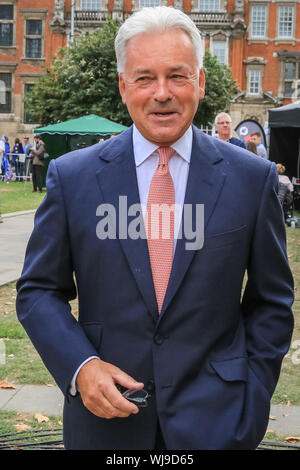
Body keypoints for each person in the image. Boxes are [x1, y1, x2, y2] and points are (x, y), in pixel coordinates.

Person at [16, 6, 294, 450]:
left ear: (200, 83)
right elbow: (37, 290)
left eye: (178, 76)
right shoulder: (73, 178)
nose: (161, 93)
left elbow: (272, 303)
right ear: (124, 86)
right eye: (145, 78)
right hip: (105, 427)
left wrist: (252, 396)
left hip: (219, 426)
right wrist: (80, 366)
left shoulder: (249, 179)